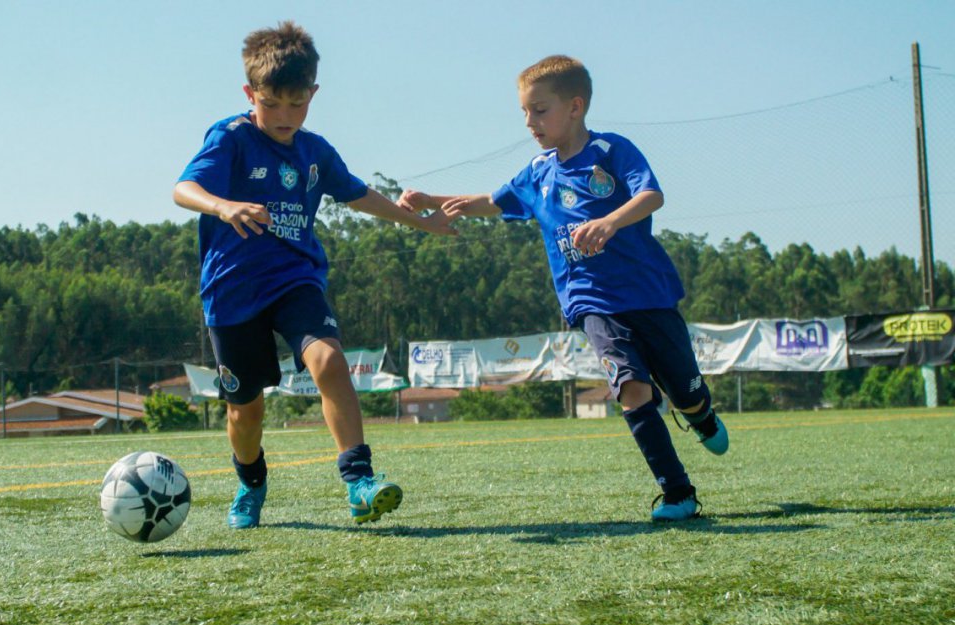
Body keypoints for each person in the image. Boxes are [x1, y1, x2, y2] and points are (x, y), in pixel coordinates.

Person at [398, 55, 728, 522]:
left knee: (686, 391)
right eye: (525, 113)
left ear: (575, 107)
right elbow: (492, 202)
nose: (530, 122)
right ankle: (678, 492)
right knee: (630, 388)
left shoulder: (612, 152)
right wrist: (432, 200)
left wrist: (609, 222)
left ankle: (701, 415)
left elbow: (651, 195)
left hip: (649, 295)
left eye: (540, 110)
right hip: (593, 304)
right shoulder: (538, 172)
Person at [173, 21, 458, 529]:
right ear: (250, 93)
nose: (285, 116)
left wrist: (419, 221)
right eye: (272, 103)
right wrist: (222, 206)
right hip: (232, 291)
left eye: (297, 103)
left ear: (313, 94)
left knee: (329, 359)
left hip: (295, 279)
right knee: (246, 412)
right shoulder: (231, 138)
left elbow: (358, 194)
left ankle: (359, 482)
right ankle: (250, 482)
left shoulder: (315, 151)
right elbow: (184, 188)